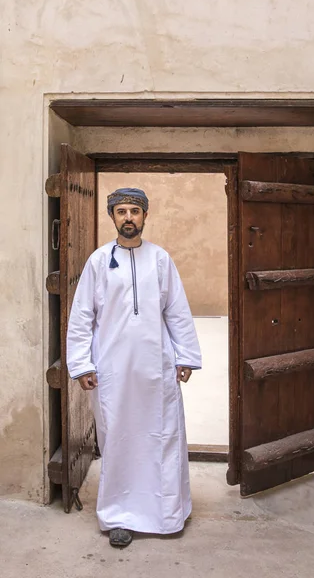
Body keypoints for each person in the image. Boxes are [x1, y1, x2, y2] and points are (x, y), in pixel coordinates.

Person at [66, 187, 202, 548]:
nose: (128, 217)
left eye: (135, 211)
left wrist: (186, 355)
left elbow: (176, 310)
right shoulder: (98, 262)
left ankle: (167, 514)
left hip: (157, 371)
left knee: (163, 437)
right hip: (113, 372)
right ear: (112, 216)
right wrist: (81, 364)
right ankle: (119, 517)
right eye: (122, 211)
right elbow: (81, 317)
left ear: (145, 216)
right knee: (119, 441)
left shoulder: (160, 259)